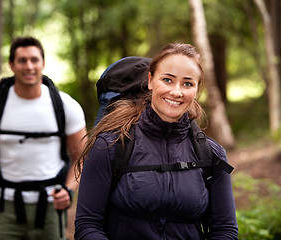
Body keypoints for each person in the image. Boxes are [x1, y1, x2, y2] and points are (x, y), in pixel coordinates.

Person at [74, 43, 238, 240]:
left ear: (197, 89)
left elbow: (225, 230)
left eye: (187, 83)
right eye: (167, 80)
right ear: (150, 81)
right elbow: (88, 225)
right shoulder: (110, 146)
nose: (176, 92)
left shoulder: (212, 154)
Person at [0, 36, 87, 239]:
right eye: (22, 60)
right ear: (11, 65)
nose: (29, 66)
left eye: (34, 60)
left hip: (50, 207)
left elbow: (81, 158)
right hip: (3, 205)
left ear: (43, 63)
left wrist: (69, 191)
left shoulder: (66, 106)